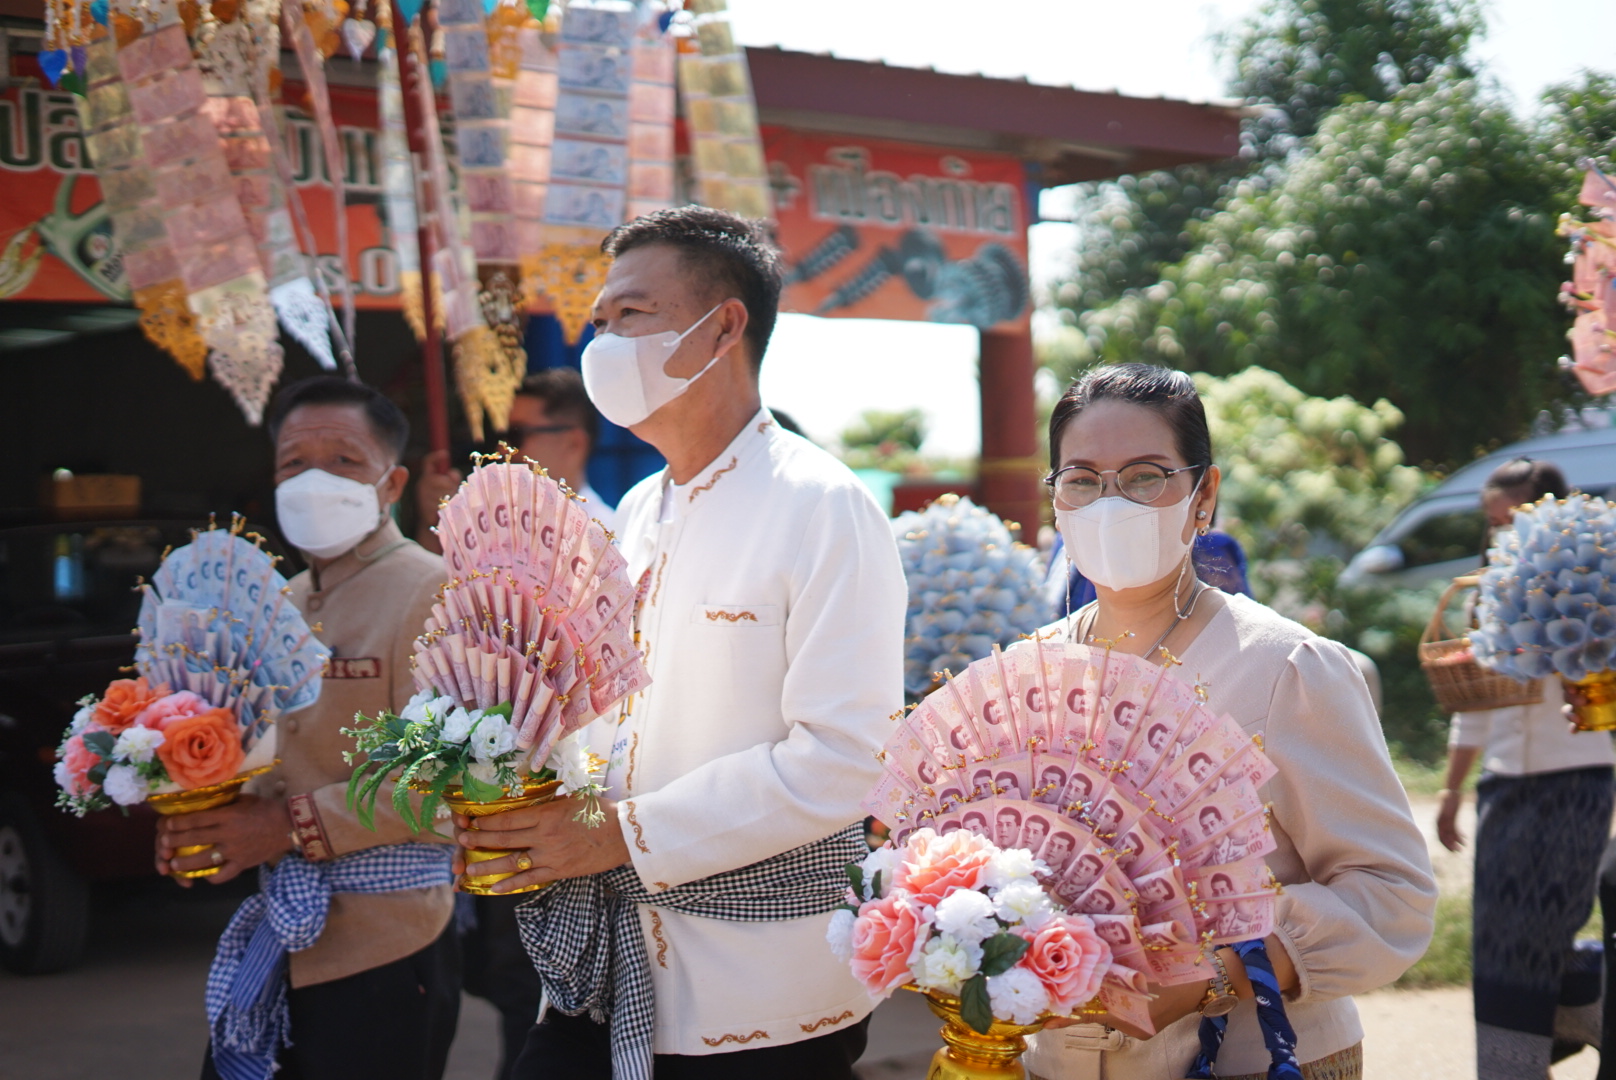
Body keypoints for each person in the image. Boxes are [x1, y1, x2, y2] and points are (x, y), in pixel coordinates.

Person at [447, 206, 906, 1079]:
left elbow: (846, 758)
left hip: (758, 990)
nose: (604, 343)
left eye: (632, 315)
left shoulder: (822, 504)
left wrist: (621, 836)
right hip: (600, 963)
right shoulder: (637, 510)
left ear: (724, 327)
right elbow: (602, 719)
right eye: (599, 322)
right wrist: (514, 797)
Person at [1025, 364, 1435, 1080]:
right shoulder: (1029, 670)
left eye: (1146, 476)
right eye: (1082, 480)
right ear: (1055, 498)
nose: (1110, 503)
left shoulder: (1285, 667)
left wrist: (1214, 975)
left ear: (1204, 495)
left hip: (1252, 1059)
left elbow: (1390, 896)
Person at [156, 377, 460, 1080]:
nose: (314, 480)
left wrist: (284, 828)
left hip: (388, 945)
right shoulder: (277, 602)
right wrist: (202, 816)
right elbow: (263, 759)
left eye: (344, 460)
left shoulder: (435, 590)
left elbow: (442, 776)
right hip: (284, 933)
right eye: (294, 464)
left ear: (392, 483)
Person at [1435, 457, 1613, 1079]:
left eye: (1510, 519)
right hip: (1504, 787)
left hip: (1578, 781)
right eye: (1492, 522)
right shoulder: (1487, 595)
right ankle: (1528, 1055)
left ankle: (1559, 1029)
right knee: (1499, 940)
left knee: (1546, 931)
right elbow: (1475, 708)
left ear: (1550, 513)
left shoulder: (1598, 583)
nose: (1499, 532)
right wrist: (1452, 791)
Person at [417, 368, 617, 555]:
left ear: (573, 444)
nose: (502, 450)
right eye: (499, 436)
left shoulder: (605, 539)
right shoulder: (484, 527)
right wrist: (435, 522)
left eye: (516, 434)